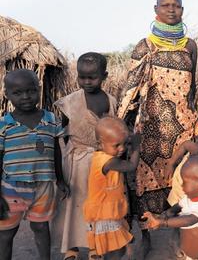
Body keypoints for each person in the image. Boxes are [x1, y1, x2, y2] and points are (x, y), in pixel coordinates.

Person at [118, 0, 198, 255]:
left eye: (176, 5)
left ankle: (178, 234)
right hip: (151, 128)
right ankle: (147, 237)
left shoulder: (190, 46)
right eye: (166, 5)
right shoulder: (145, 46)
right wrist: (125, 126)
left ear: (183, 11)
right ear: (156, 10)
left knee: (182, 180)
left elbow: (193, 88)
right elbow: (130, 88)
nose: (171, 9)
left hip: (181, 126)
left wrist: (194, 117)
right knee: (145, 182)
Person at [54, 52, 117, 260]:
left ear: (104, 76)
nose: (87, 81)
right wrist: (60, 177)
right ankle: (71, 247)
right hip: (76, 162)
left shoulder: (111, 101)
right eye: (82, 77)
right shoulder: (69, 103)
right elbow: (59, 137)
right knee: (73, 206)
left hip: (102, 163)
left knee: (97, 205)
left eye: (92, 77)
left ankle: (94, 246)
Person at [0, 69, 67, 260]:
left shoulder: (51, 120)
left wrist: (60, 180)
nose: (26, 97)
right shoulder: (4, 124)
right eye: (18, 93)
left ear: (39, 90)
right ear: (7, 94)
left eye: (30, 91)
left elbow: (56, 151)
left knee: (40, 227)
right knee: (6, 233)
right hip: (10, 188)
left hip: (43, 186)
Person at [143, 152, 198, 260]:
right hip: (190, 255)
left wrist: (163, 222)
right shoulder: (194, 195)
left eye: (185, 182)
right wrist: (167, 213)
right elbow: (180, 205)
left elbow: (188, 220)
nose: (181, 184)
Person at [83, 117, 140, 260]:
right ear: (100, 144)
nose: (122, 149)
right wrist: (137, 147)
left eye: (125, 144)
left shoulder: (102, 155)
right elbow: (131, 166)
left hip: (106, 212)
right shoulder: (108, 161)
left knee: (114, 249)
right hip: (104, 215)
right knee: (115, 251)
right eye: (116, 145)